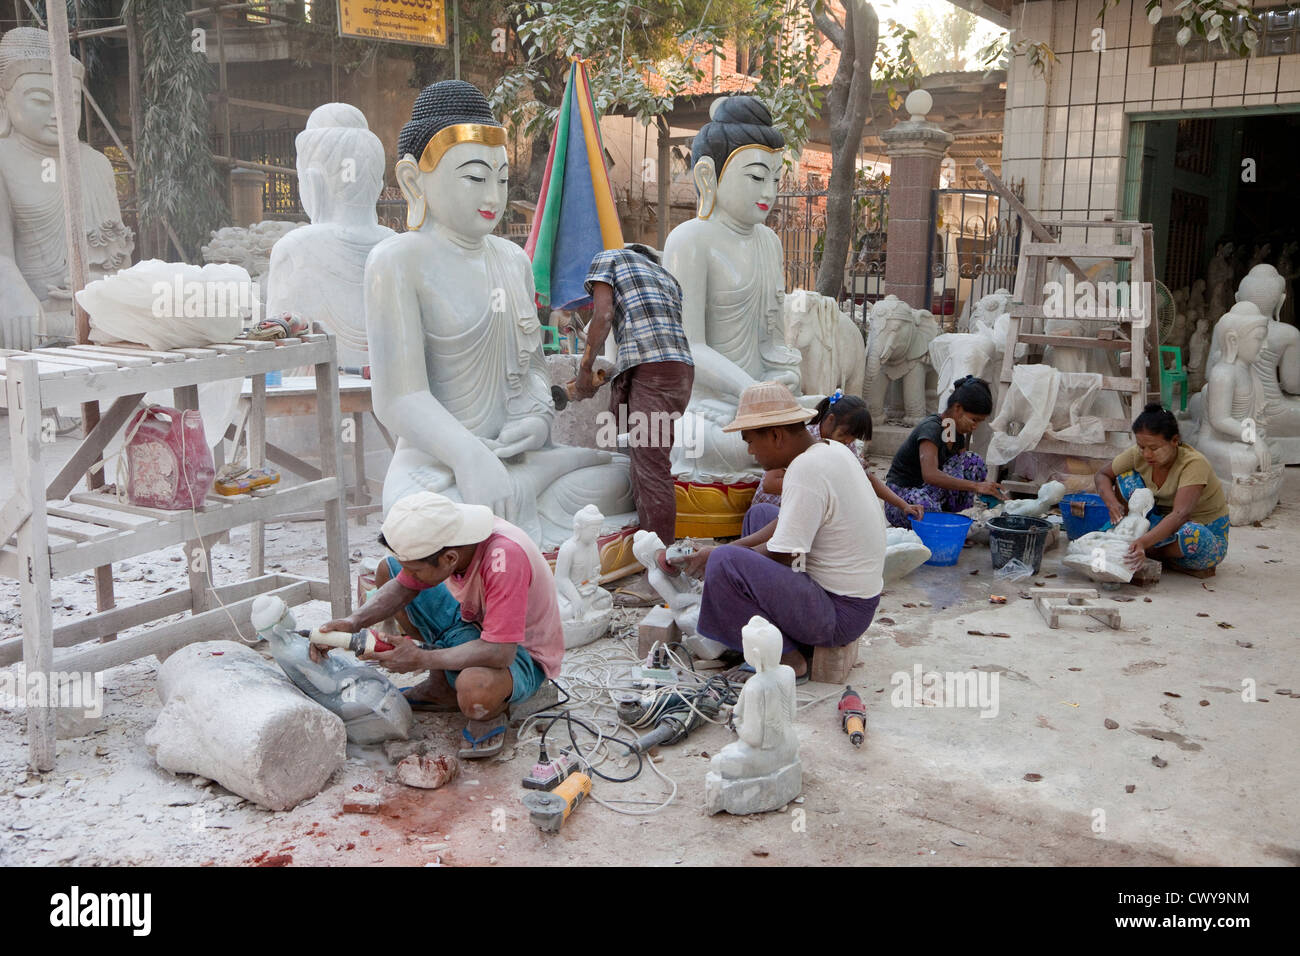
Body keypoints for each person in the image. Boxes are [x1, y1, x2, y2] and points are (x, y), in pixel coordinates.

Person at [311, 492, 563, 758]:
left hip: (518, 653)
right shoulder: (451, 538)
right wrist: (353, 622)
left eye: (416, 571)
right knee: (389, 568)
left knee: (475, 689)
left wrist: (421, 658)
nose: (410, 576)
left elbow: (500, 652)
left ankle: (494, 708)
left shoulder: (504, 558)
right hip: (473, 622)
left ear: (450, 559)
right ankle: (441, 686)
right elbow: (402, 586)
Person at [677, 382, 885, 681]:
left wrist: (722, 555)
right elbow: (788, 522)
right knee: (760, 514)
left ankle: (788, 658)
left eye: (751, 441)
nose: (751, 452)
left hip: (838, 614)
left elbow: (786, 553)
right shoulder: (831, 450)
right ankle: (777, 632)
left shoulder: (805, 468)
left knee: (724, 563)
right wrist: (735, 548)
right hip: (850, 604)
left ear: (776, 435)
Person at [574, 243, 694, 543]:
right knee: (645, 458)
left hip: (652, 368)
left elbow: (603, 316)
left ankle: (658, 556)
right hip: (680, 369)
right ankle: (648, 543)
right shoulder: (666, 278)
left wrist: (585, 367)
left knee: (651, 466)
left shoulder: (609, 258)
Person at [1093, 403, 1230, 575]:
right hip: (1160, 524)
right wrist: (1112, 503)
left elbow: (1180, 514)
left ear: (1175, 441)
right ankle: (1143, 550)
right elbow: (1102, 475)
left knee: (1192, 534)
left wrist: (1143, 543)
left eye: (1154, 448)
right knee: (1125, 478)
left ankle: (1147, 552)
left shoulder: (1194, 463)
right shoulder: (1138, 454)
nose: (1147, 454)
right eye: (1142, 447)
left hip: (1201, 532)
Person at [752, 390, 924, 523]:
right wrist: (822, 489)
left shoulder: (844, 445)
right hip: (775, 509)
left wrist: (903, 505)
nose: (848, 441)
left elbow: (867, 478)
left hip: (806, 509)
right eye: (844, 434)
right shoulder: (801, 440)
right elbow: (769, 484)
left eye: (853, 438)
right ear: (830, 420)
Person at [882, 375, 1004, 527]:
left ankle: (956, 517)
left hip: (931, 492)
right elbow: (930, 475)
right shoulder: (931, 428)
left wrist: (990, 490)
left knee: (973, 462)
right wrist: (975, 486)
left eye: (979, 422)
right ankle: (942, 521)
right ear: (958, 408)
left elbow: (960, 470)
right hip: (902, 499)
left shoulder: (956, 433)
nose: (975, 426)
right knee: (922, 506)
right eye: (974, 419)